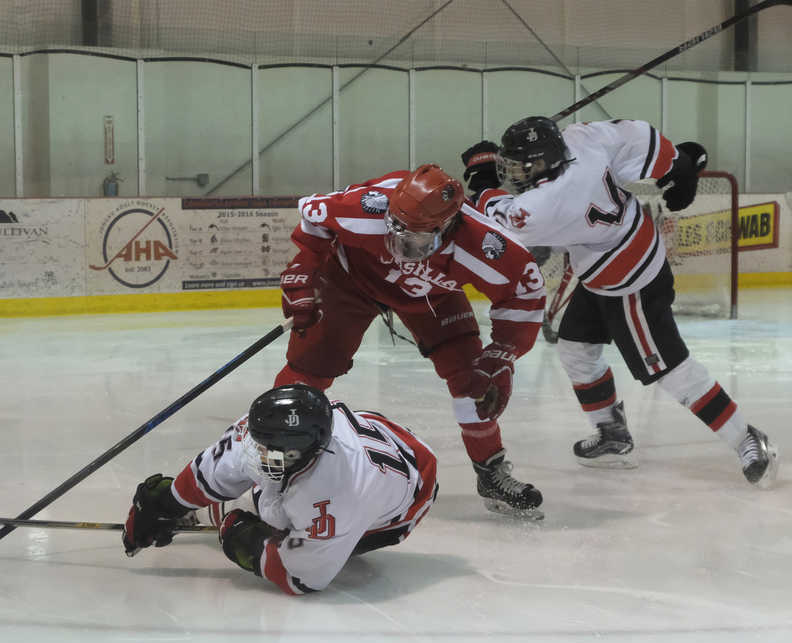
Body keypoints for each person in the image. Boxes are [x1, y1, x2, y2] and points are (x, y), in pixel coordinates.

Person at [461, 116, 779, 487]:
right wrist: (677, 163)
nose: (514, 172)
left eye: (520, 165)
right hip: (606, 266)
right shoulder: (581, 138)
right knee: (576, 348)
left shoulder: (546, 203)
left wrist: (482, 180)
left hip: (629, 280)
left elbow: (494, 218)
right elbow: (637, 134)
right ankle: (612, 434)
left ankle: (746, 439)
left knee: (670, 369)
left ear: (545, 162)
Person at [274, 164, 548, 518]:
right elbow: (315, 215)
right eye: (396, 232)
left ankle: (490, 471)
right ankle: (273, 452)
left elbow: (525, 293)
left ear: (447, 226)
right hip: (349, 280)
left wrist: (501, 355)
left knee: (474, 378)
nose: (401, 248)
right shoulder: (368, 206)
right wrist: (302, 270)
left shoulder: (485, 246)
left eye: (416, 240)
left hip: (430, 295)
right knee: (307, 369)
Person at [121, 384, 438, 595]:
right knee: (262, 487)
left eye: (264, 449)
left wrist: (245, 541)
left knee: (280, 522)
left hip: (404, 500)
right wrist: (166, 501)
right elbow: (218, 467)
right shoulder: (271, 431)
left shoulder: (336, 502)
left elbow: (303, 577)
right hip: (383, 440)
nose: (251, 450)